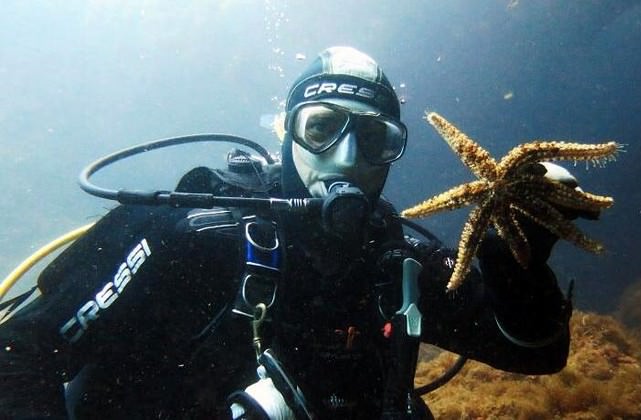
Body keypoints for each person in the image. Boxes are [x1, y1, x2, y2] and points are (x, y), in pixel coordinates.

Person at [0, 46, 581, 419]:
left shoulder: (396, 261)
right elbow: (20, 350)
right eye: (322, 128)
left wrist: (517, 257)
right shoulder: (189, 235)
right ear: (288, 134)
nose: (348, 158)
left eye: (376, 139)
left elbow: (532, 354)